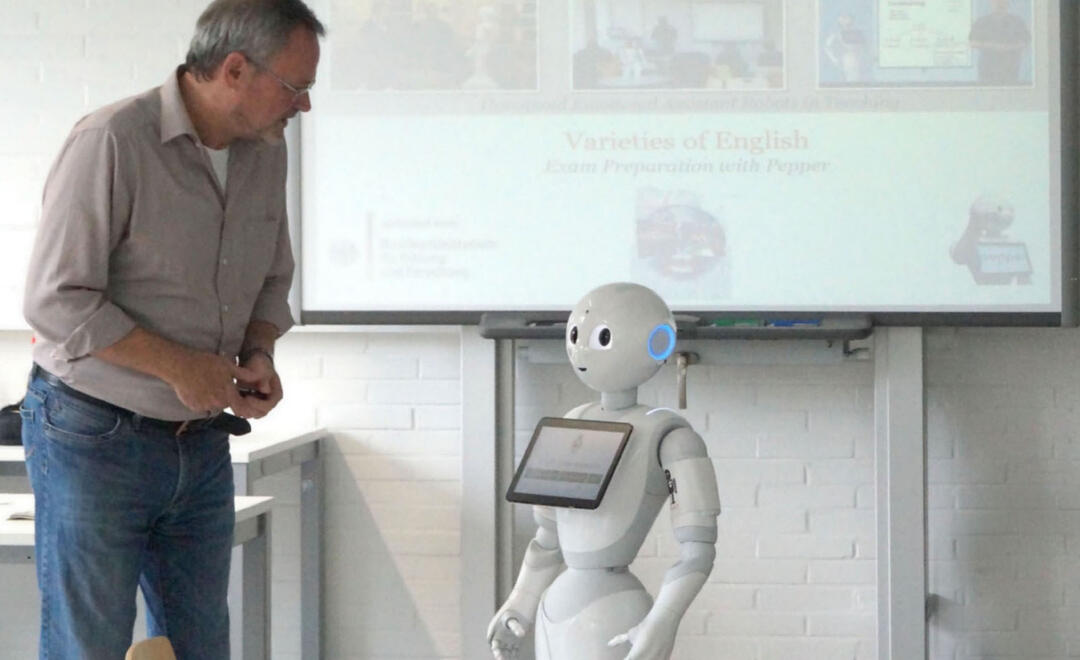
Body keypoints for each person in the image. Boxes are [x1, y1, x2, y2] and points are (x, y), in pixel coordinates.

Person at [19, 1, 323, 658]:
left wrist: (258, 354)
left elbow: (272, 278)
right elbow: (55, 300)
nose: (303, 108)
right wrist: (179, 366)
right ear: (235, 69)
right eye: (295, 88)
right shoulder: (111, 142)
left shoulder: (266, 153)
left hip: (201, 444)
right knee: (87, 645)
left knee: (199, 645)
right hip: (93, 439)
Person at [969, 0, 1030, 85]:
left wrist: (1008, 48)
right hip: (987, 70)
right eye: (996, 1)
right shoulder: (982, 21)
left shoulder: (1017, 21)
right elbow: (972, 42)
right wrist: (992, 46)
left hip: (1010, 69)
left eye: (1002, 1)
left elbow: (1025, 42)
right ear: (991, 3)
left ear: (1007, 3)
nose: (999, 4)